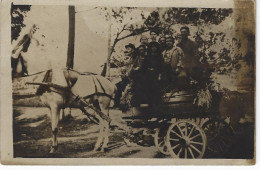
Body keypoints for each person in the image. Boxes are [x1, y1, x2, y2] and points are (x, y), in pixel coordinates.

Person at [142, 42, 163, 106]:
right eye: (152, 47)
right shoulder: (147, 57)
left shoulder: (159, 57)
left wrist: (159, 74)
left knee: (156, 89)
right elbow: (143, 67)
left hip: (156, 75)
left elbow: (161, 67)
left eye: (155, 47)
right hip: (148, 75)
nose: (153, 48)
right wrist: (148, 69)